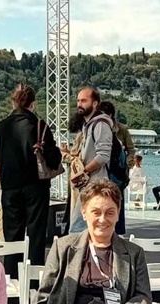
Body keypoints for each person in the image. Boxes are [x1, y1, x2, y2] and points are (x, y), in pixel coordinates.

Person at [0, 84, 61, 274]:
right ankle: (33, 279)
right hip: (36, 186)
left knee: (12, 235)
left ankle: (11, 277)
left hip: (10, 187)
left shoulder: (2, 126)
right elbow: (53, 158)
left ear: (13, 103)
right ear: (33, 104)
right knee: (35, 234)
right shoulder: (39, 125)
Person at [66, 86, 113, 232]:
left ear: (94, 103)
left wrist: (83, 172)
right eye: (78, 101)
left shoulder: (100, 125)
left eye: (84, 101)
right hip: (90, 185)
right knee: (85, 228)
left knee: (76, 229)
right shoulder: (89, 125)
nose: (79, 104)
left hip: (96, 184)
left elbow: (103, 156)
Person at [97, 101, 133, 235]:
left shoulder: (121, 130)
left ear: (111, 115)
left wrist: (127, 165)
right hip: (102, 171)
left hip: (117, 172)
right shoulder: (96, 127)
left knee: (117, 202)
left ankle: (118, 232)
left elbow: (131, 149)